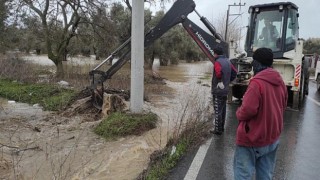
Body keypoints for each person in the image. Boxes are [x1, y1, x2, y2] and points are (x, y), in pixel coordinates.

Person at [233, 48, 288, 179]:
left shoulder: (256, 83)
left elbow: (247, 110)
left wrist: (238, 113)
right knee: (265, 175)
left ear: (257, 63)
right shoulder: (281, 83)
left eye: (254, 62)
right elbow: (283, 106)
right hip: (272, 139)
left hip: (252, 140)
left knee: (243, 175)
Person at [210, 46, 232, 135]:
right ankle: (221, 128)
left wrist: (219, 81)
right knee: (223, 109)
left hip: (218, 90)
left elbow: (218, 73)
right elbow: (234, 73)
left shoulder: (217, 62)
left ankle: (218, 130)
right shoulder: (228, 61)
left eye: (213, 53)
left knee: (217, 110)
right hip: (225, 90)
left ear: (215, 53)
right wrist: (227, 82)